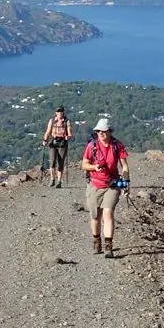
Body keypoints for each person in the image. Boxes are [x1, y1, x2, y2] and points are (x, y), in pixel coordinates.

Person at [80, 117, 131, 256]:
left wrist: (126, 183)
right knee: (95, 216)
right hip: (95, 184)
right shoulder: (92, 146)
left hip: (112, 185)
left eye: (103, 131)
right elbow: (84, 164)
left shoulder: (117, 145)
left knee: (108, 213)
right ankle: (97, 241)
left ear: (109, 131)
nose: (100, 133)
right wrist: (94, 167)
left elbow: (124, 166)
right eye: (98, 131)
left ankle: (108, 246)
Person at [41, 107, 75, 188]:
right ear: (56, 113)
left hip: (62, 143)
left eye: (61, 111)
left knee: (60, 163)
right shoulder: (52, 121)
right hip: (53, 142)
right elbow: (48, 131)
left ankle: (59, 181)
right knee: (52, 161)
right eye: (58, 112)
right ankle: (52, 179)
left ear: (63, 112)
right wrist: (45, 139)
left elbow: (70, 133)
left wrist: (68, 137)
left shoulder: (66, 121)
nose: (60, 113)